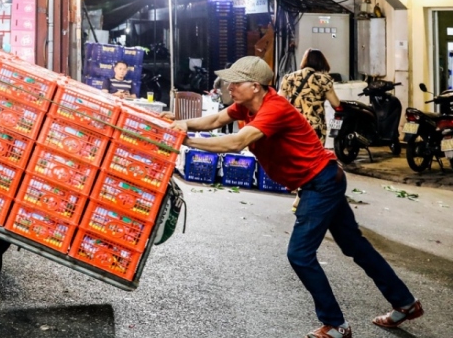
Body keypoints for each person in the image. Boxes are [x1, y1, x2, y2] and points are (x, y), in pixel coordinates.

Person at [167, 56, 422, 338]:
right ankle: (406, 303)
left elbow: (237, 142)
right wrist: (179, 123)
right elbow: (215, 119)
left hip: (320, 182)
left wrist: (185, 140)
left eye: (236, 82)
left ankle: (336, 325)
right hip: (324, 179)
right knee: (355, 247)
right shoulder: (245, 106)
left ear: (255, 86)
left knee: (300, 254)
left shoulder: (274, 109)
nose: (230, 86)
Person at [280, 49, 341, 143]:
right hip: (315, 126)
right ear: (321, 62)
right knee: (314, 155)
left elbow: (279, 101)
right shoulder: (323, 79)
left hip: (293, 124)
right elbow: (336, 103)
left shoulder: (289, 77)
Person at [211, 63, 234, 133]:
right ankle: (230, 132)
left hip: (223, 100)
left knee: (224, 117)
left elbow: (215, 84)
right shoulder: (234, 76)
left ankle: (223, 133)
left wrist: (219, 89)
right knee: (231, 117)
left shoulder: (222, 76)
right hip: (232, 100)